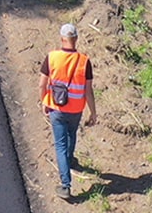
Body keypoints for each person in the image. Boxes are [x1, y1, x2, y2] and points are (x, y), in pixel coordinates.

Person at [38, 22, 96, 199]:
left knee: (60, 145)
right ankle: (70, 159)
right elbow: (88, 90)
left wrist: (44, 101)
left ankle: (65, 185)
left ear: (62, 39)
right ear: (76, 39)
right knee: (72, 134)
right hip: (76, 110)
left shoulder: (52, 57)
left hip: (57, 108)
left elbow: (42, 84)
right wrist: (93, 112)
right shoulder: (84, 61)